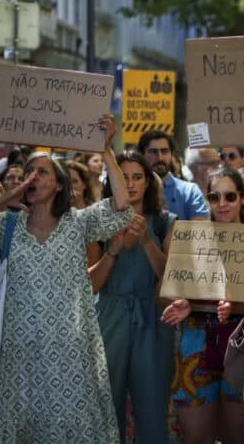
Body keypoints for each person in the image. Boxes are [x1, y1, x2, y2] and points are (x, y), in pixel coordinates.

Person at [0, 115, 133, 442]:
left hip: (71, 351)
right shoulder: (5, 226)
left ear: (60, 184)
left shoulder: (77, 223)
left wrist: (106, 150)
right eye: (27, 173)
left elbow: (122, 206)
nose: (31, 178)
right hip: (20, 355)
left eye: (42, 172)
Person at [90, 152, 176, 444]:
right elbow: (90, 284)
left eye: (137, 177)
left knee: (152, 405)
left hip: (152, 317)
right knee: (104, 403)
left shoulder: (166, 222)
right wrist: (113, 248)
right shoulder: (96, 223)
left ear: (148, 182)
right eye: (122, 177)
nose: (130, 184)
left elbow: (172, 277)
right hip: (109, 315)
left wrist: (147, 241)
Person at [169, 168, 244, 444]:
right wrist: (184, 302)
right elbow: (169, 290)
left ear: (243, 198)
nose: (222, 203)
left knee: (237, 438)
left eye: (230, 196)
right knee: (195, 438)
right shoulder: (193, 237)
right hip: (196, 339)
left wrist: (238, 307)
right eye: (214, 197)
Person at [138, 130, 209, 221]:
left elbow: (199, 230)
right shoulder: (133, 189)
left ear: (171, 154)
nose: (160, 158)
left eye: (165, 151)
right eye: (153, 152)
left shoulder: (190, 192)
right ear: (141, 155)